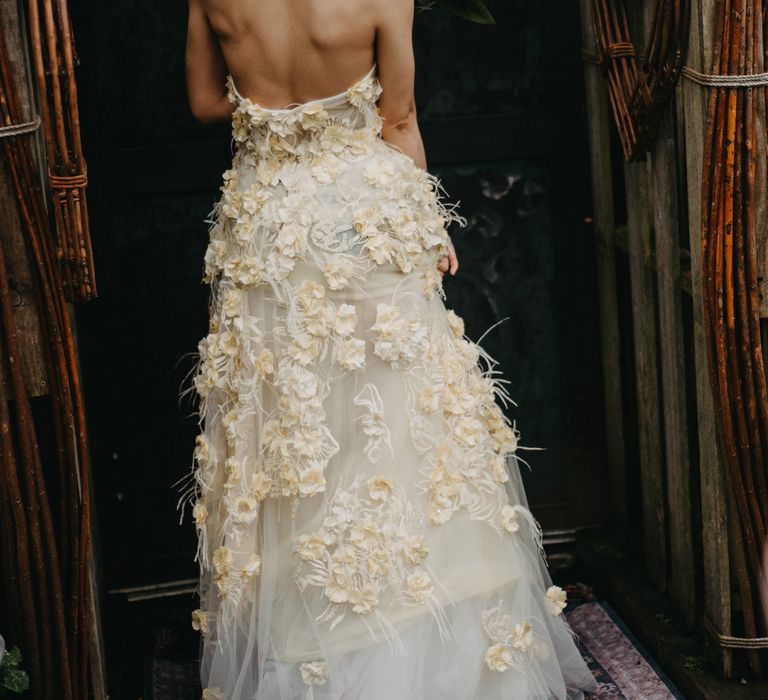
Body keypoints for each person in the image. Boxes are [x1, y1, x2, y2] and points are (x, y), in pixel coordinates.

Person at [178, 1, 599, 698]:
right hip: (362, 218)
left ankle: (311, 644)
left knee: (292, 433)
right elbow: (397, 121)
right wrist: (426, 223)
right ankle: (436, 648)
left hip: (269, 226)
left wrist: (275, 116)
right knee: (400, 421)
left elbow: (201, 102)